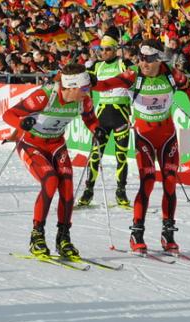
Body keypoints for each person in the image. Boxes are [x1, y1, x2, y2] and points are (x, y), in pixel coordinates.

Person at [92, 39, 190, 253]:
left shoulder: (172, 75)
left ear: (158, 59)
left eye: (148, 59)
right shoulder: (132, 76)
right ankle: (136, 233)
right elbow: (104, 85)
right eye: (140, 58)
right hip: (144, 136)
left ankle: (168, 234)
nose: (143, 63)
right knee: (147, 182)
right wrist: (86, 80)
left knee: (170, 182)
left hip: (167, 137)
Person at [2, 63, 106, 259]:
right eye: (84, 89)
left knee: (67, 185)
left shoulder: (84, 100)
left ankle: (63, 237)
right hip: (32, 144)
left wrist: (96, 129)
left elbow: (90, 119)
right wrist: (22, 122)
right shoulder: (45, 95)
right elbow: (8, 114)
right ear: (71, 87)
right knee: (50, 181)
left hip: (56, 144)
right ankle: (37, 236)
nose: (87, 92)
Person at [77, 28, 134, 208]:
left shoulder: (123, 64)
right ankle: (88, 192)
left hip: (121, 115)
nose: (104, 53)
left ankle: (121, 192)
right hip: (102, 116)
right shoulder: (96, 66)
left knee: (121, 156)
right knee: (95, 155)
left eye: (108, 49)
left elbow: (135, 81)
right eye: (101, 49)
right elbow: (86, 88)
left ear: (115, 49)